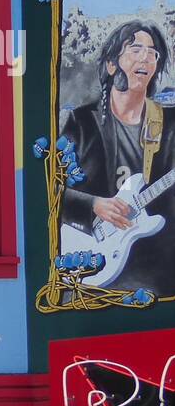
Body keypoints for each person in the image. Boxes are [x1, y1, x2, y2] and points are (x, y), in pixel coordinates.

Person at [61, 20, 175, 294]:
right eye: (135, 49)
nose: (146, 58)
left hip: (157, 269)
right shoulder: (82, 122)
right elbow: (48, 189)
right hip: (94, 260)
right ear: (112, 65)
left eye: (152, 53)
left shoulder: (169, 124)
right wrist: (94, 205)